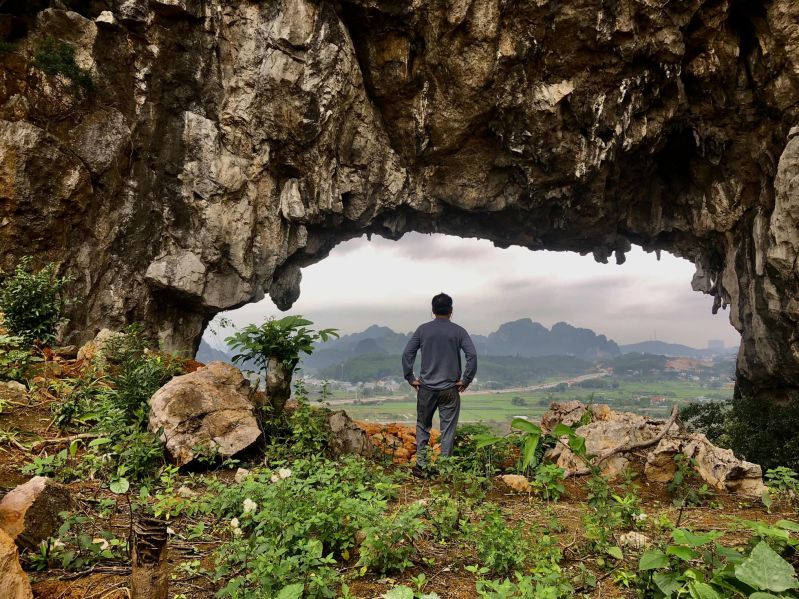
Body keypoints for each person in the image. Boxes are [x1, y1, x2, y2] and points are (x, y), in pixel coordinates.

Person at [402, 292, 477, 477]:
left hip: (426, 388)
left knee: (422, 426)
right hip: (450, 389)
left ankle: (421, 466)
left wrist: (410, 377)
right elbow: (472, 356)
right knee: (448, 429)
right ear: (451, 311)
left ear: (433, 310)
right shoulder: (459, 331)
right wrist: (466, 379)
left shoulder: (422, 330)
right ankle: (445, 469)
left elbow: (407, 354)